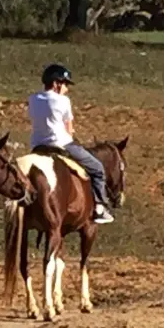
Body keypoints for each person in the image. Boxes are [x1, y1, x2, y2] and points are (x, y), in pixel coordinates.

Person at [28, 63, 114, 224]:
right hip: (62, 144)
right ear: (56, 84)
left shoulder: (32, 99)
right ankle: (100, 208)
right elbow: (69, 128)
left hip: (37, 146)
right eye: (65, 84)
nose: (67, 88)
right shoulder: (63, 101)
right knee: (97, 169)